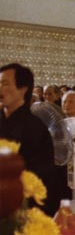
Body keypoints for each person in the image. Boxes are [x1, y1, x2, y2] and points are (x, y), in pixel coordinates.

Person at [0, 63, 54, 210]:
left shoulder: (35, 128)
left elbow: (39, 174)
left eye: (5, 84)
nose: (0, 88)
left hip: (17, 204)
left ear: (23, 89)